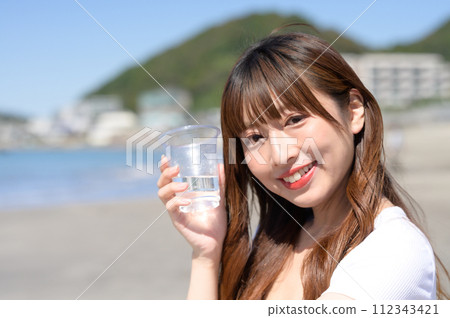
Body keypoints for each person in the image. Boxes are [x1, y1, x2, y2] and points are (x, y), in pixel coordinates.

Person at [157, 30, 449, 300]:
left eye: (295, 120)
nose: (280, 155)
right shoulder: (276, 239)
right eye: (255, 137)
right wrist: (206, 253)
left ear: (354, 111)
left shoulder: (393, 250)